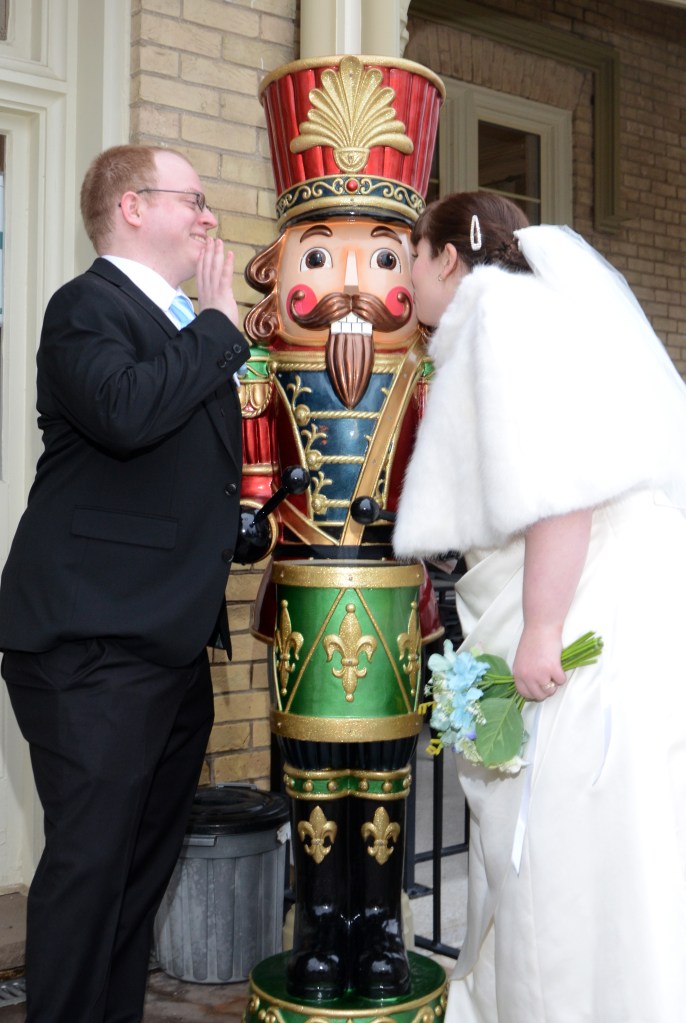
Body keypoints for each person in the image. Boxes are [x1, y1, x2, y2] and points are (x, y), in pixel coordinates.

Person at [393, 192, 686, 1023]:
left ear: (449, 259)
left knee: (565, 831)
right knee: (623, 836)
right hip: (623, 586)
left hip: (587, 600)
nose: (408, 279)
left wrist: (543, 631)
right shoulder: (544, 318)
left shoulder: (502, 322)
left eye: (413, 258)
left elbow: (561, 491)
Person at [0, 144, 251, 1023]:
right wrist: (218, 326)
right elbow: (125, 411)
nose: (209, 217)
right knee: (90, 873)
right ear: (134, 207)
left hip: (168, 645)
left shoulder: (180, 323)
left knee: (136, 876)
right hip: (90, 647)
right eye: (195, 200)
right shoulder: (86, 306)